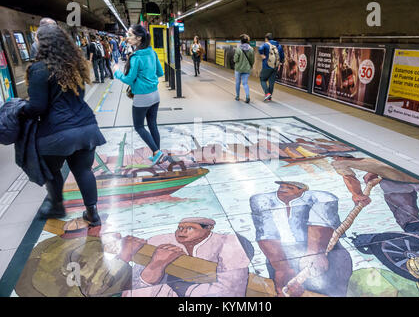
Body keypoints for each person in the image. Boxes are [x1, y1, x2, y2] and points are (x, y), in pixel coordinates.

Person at [21, 24, 105, 226]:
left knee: (51, 170)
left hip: (56, 134)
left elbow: (38, 107)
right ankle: (93, 214)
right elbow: (80, 96)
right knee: (84, 170)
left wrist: (22, 110)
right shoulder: (75, 64)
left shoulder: (39, 69)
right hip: (85, 128)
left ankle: (57, 205)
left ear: (42, 44)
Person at [250, 181, 352, 297]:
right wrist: (283, 268)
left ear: (302, 191)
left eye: (290, 187)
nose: (283, 189)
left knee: (329, 290)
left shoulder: (320, 198)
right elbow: (266, 233)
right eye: (282, 186)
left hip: (326, 251)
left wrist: (316, 252)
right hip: (281, 253)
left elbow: (322, 221)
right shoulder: (262, 200)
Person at [120, 217, 250, 297]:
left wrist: (183, 287)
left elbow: (230, 292)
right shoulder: (159, 242)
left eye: (189, 228)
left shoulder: (228, 243)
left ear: (207, 229)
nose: (182, 231)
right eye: (180, 228)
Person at [330, 153, 419, 231]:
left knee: (403, 209)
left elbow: (350, 178)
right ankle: (414, 226)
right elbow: (383, 162)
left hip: (403, 181)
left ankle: (414, 227)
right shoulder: (370, 151)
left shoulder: (339, 162)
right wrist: (375, 171)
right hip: (418, 177)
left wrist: (357, 194)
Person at [113, 25, 165, 166]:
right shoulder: (152, 53)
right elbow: (160, 73)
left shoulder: (136, 57)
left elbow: (128, 79)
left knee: (139, 126)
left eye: (130, 35)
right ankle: (157, 154)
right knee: (152, 124)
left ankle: (157, 152)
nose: (127, 38)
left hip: (142, 97)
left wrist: (116, 72)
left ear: (139, 38)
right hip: (155, 95)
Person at [258, 33, 284, 101]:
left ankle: (267, 93)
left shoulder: (266, 44)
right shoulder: (279, 45)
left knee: (262, 79)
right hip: (275, 66)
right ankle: (269, 97)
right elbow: (282, 55)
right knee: (271, 82)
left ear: (266, 38)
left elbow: (260, 48)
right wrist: (280, 62)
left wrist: (262, 55)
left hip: (267, 66)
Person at [233, 34, 255, 103]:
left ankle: (237, 96)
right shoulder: (251, 49)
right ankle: (247, 96)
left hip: (238, 69)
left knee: (237, 83)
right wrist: (250, 66)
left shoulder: (238, 49)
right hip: (246, 69)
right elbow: (252, 60)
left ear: (241, 41)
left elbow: (235, 60)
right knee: (245, 83)